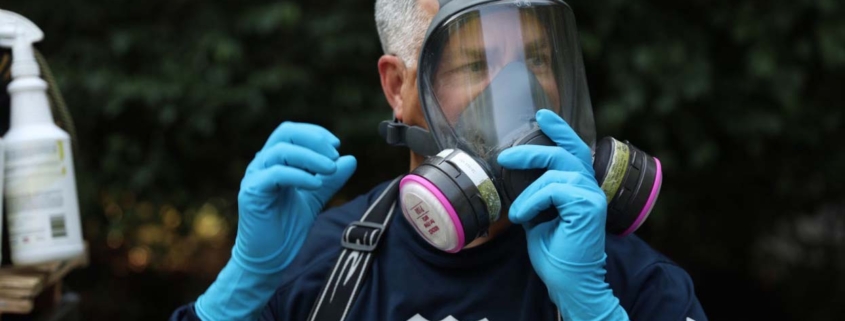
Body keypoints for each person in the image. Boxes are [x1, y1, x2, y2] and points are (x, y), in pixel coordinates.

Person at [170, 0, 708, 320]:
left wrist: (593, 308)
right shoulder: (315, 274)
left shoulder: (624, 279)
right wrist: (241, 288)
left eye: (536, 58)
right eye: (475, 64)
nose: (517, 92)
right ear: (398, 87)